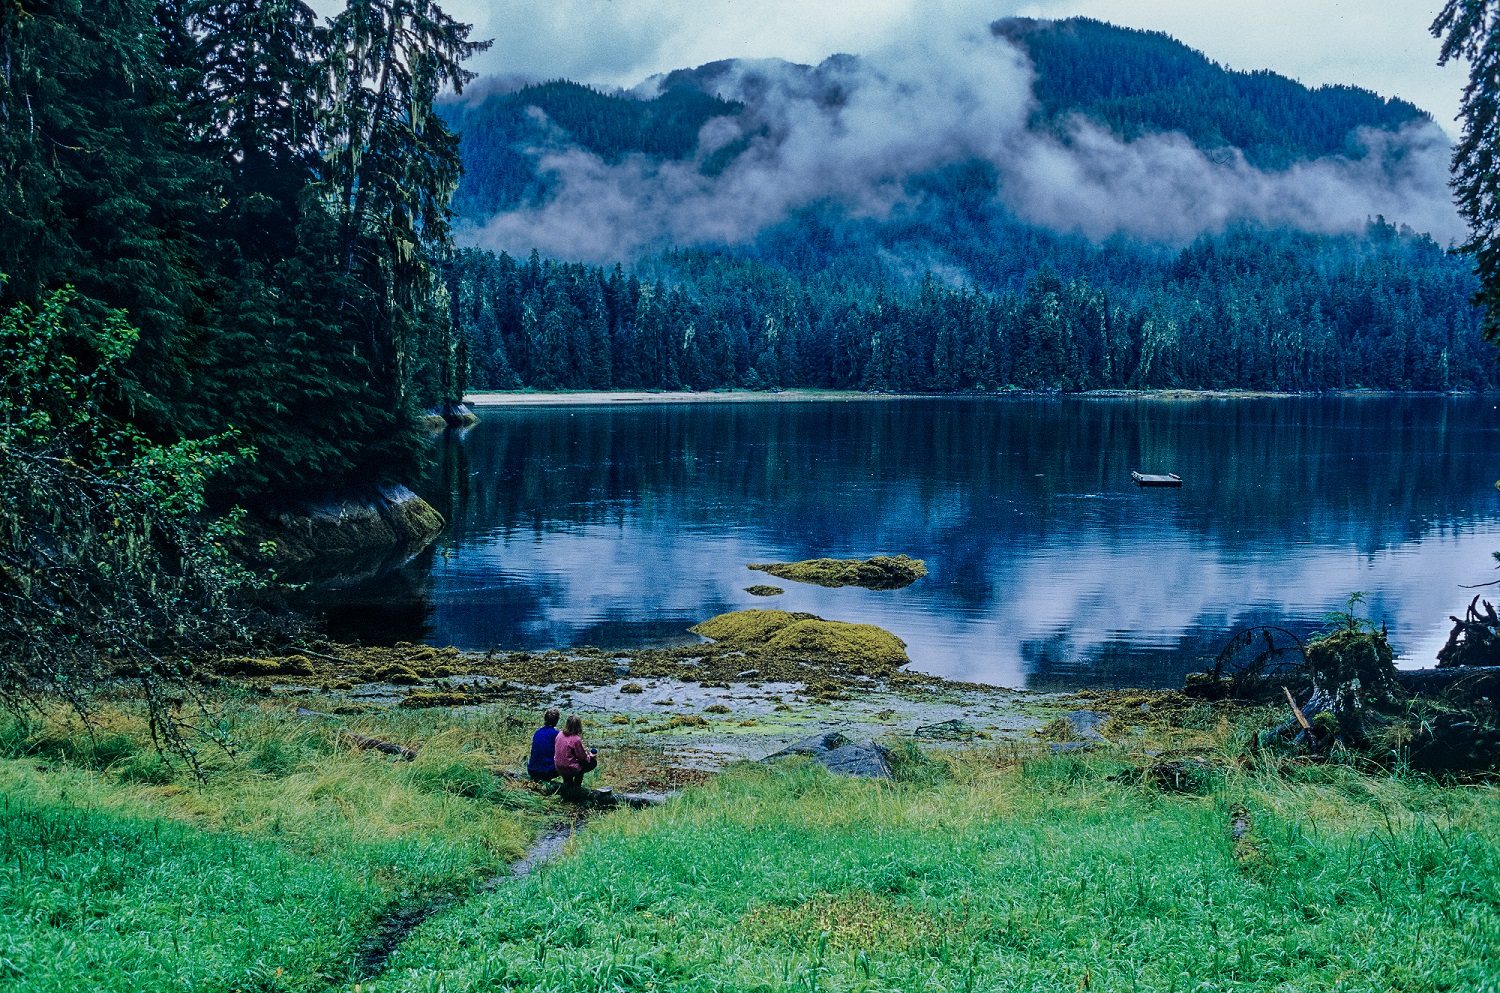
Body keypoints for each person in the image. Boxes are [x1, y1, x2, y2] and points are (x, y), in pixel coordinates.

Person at [552, 713, 598, 789]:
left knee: (567, 762)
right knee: (591, 763)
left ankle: (568, 784)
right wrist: (590, 757)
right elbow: (583, 758)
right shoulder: (576, 739)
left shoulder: (560, 734)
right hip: (569, 768)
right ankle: (577, 786)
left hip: (558, 766)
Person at [527, 708, 561, 783]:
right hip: (546, 772)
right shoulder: (557, 735)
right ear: (557, 721)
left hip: (532, 770)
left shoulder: (537, 732)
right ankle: (569, 785)